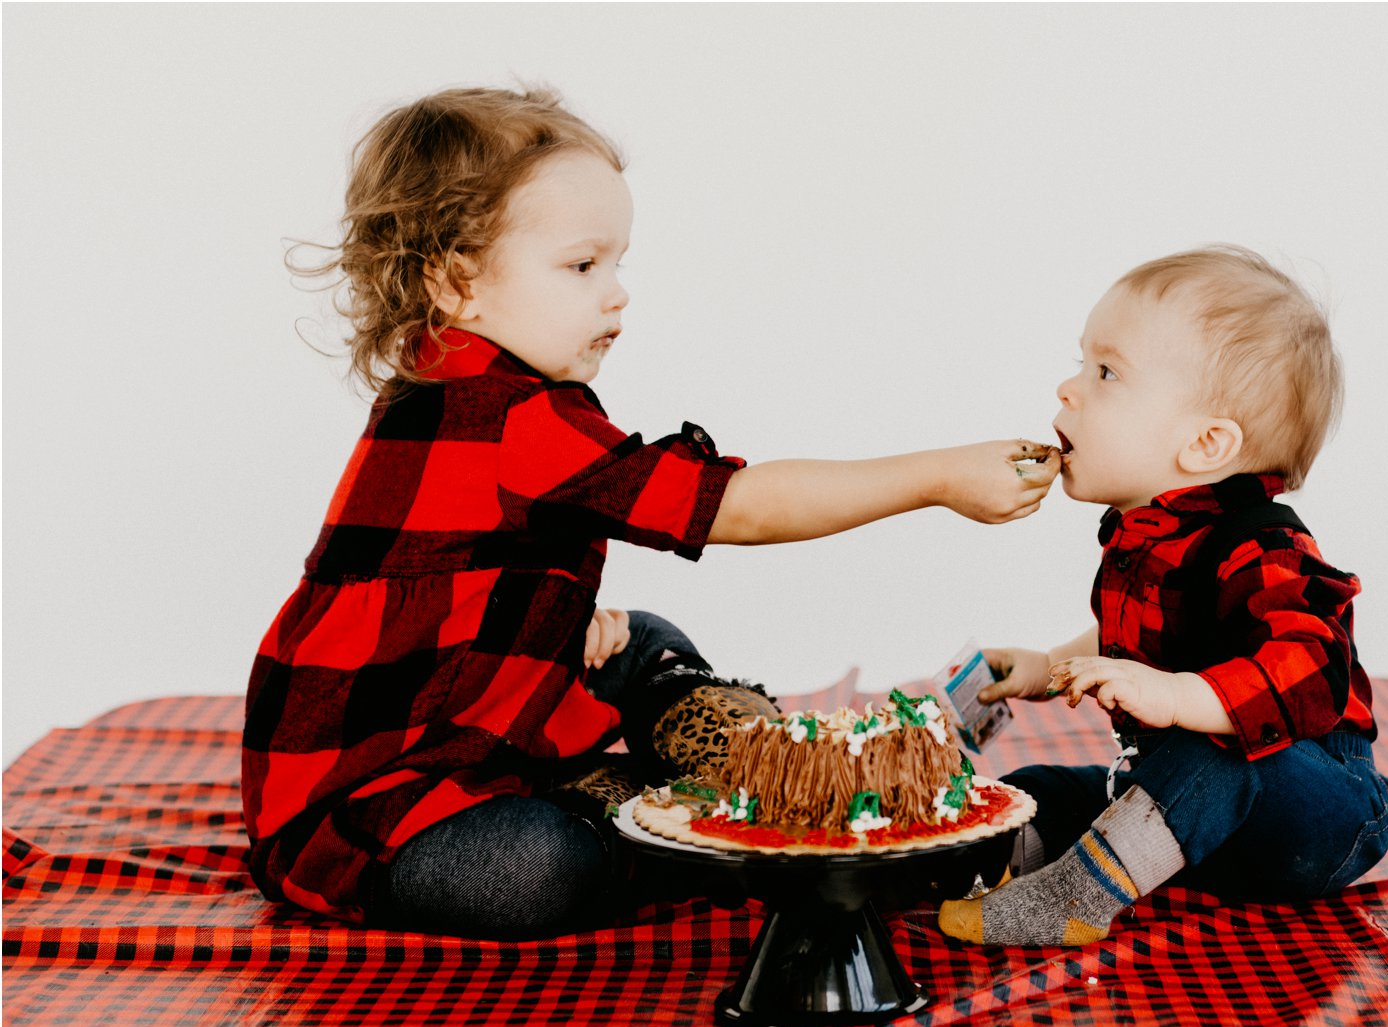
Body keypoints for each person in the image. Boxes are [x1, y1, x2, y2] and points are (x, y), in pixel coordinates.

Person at [242, 86, 1059, 940]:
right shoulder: (511, 418)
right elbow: (737, 507)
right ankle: (702, 824)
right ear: (457, 283)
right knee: (534, 869)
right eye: (582, 266)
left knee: (640, 639)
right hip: (371, 818)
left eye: (618, 263)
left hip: (477, 731)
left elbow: (457, 589)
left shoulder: (455, 388)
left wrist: (554, 621)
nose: (617, 294)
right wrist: (934, 476)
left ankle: (758, 778)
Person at [939, 246, 1388, 947]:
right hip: (1188, 810)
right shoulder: (1143, 538)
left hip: (1316, 815)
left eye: (1106, 372)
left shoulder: (1263, 546)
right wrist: (1045, 666)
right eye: (1082, 362)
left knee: (1214, 747)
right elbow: (1137, 639)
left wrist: (1176, 697)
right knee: (1042, 790)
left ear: (1206, 443)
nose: (1069, 388)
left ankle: (1072, 897)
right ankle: (966, 865)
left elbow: (1314, 671)